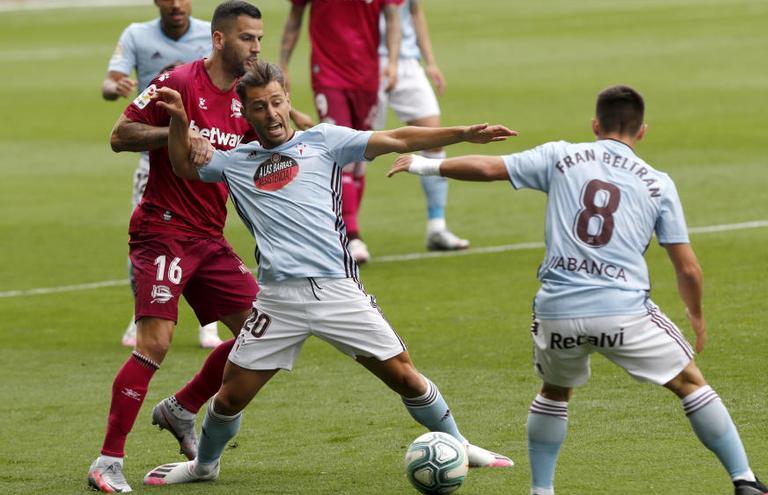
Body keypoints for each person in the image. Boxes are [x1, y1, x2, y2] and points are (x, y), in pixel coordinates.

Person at [140, 61, 516, 487]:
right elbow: (184, 166)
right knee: (227, 399)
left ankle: (460, 445)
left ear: (288, 100)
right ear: (245, 112)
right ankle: (203, 466)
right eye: (260, 107)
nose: (272, 114)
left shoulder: (325, 141)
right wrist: (179, 121)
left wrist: (461, 133)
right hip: (278, 300)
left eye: (277, 102)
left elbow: (397, 137)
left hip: (337, 291)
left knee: (406, 377)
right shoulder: (235, 162)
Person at [388, 85, 768, 495]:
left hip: (557, 309)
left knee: (555, 393)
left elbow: (488, 168)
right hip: (623, 312)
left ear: (595, 125)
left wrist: (422, 166)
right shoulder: (658, 184)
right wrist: (695, 314)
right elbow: (689, 269)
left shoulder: (561, 155)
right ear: (642, 131)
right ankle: (745, 481)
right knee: (690, 384)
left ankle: (542, 491)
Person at [87, 3, 270, 493]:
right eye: (248, 39)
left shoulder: (246, 98)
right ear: (218, 40)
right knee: (156, 342)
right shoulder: (178, 82)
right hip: (162, 229)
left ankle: (182, 408)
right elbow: (118, 134)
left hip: (210, 236)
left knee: (264, 334)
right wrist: (176, 131)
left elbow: (269, 151)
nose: (256, 48)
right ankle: (107, 461)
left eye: (259, 39)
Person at [102, 0, 223, 349]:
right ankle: (142, 313)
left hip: (204, 158)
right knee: (141, 244)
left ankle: (209, 324)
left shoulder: (212, 35)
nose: (176, 4)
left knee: (206, 236)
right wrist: (116, 87)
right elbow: (110, 82)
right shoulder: (137, 35)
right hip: (153, 162)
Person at [279, 0, 403, 263]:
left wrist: (392, 62)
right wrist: (284, 63)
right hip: (329, 73)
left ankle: (341, 231)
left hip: (368, 75)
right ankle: (352, 234)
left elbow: (392, 17)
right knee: (340, 152)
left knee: (362, 156)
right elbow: (295, 16)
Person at [373, 0, 469, 251]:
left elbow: (415, 11)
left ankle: (437, 226)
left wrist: (431, 62)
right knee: (356, 148)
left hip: (407, 62)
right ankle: (347, 233)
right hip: (367, 61)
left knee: (434, 137)